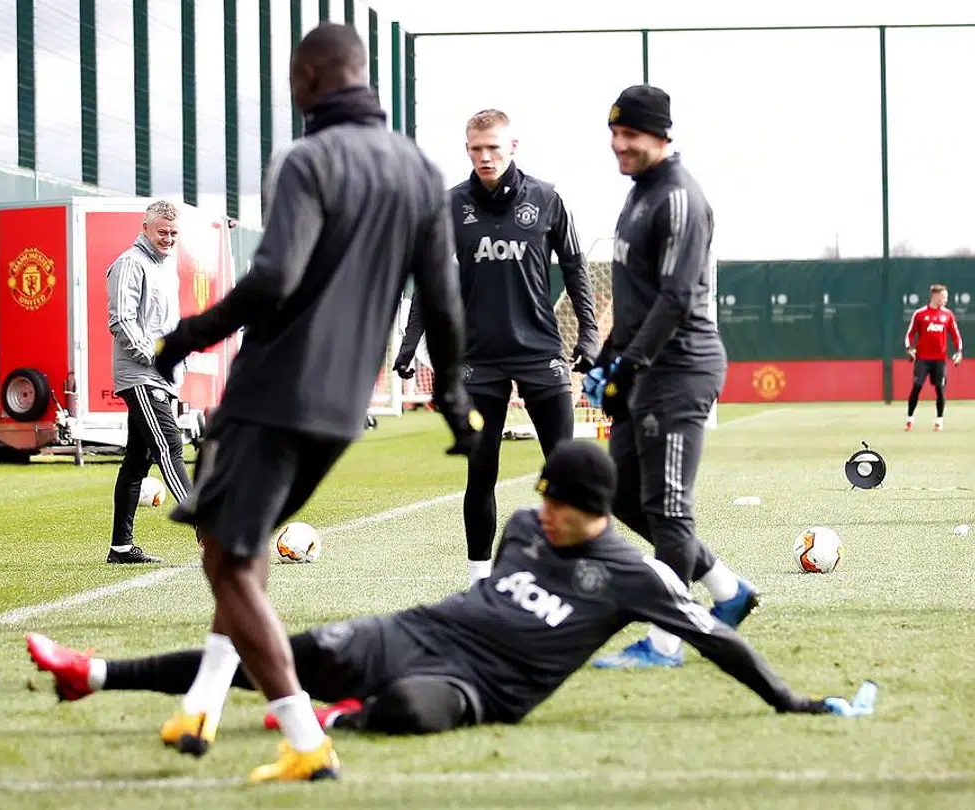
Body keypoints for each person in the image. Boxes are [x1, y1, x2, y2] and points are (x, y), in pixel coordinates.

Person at [136, 21, 476, 783]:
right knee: (243, 550)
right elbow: (446, 304)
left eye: (293, 80)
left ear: (314, 77)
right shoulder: (421, 170)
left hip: (275, 392)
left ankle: (302, 737)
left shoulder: (309, 158)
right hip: (345, 404)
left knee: (225, 561)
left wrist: (186, 336)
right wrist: (453, 397)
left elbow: (273, 281)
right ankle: (201, 704)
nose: (292, 93)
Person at [28, 441, 878, 742]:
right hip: (418, 630)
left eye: (558, 503)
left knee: (405, 711)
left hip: (481, 690)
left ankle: (338, 720)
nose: (542, 509)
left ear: (596, 514)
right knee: (285, 652)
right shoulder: (521, 525)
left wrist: (793, 701)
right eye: (542, 495)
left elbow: (716, 638)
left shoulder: (635, 573)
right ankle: (95, 674)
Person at [582, 85, 758, 669]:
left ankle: (665, 643)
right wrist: (607, 359)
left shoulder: (680, 198)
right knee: (621, 496)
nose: (619, 145)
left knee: (670, 511)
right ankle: (729, 591)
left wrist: (627, 366)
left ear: (661, 137)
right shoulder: (637, 197)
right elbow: (635, 298)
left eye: (630, 135)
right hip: (642, 371)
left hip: (680, 370)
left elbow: (678, 298)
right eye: (614, 134)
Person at [394, 108, 600, 588]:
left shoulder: (547, 200)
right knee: (480, 472)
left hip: (540, 352)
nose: (485, 157)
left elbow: (574, 268)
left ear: (513, 147)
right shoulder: (450, 205)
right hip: (479, 361)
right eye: (475, 148)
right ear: (467, 149)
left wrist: (588, 334)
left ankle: (572, 573)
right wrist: (409, 341)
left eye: (493, 147)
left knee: (565, 470)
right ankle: (478, 582)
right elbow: (429, 278)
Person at [104, 200, 195, 565]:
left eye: (173, 233)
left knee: (136, 462)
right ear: (145, 229)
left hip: (162, 377)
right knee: (170, 445)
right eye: (162, 232)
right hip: (141, 375)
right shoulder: (130, 263)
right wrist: (158, 359)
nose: (168, 239)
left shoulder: (166, 267)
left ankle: (121, 547)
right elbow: (122, 322)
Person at [904, 283, 962, 431]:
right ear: (935, 297)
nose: (945, 300)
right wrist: (909, 349)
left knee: (940, 389)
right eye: (943, 297)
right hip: (922, 358)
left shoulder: (947, 315)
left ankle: (939, 421)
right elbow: (910, 333)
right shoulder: (920, 314)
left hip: (939, 359)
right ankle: (909, 419)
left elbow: (956, 336)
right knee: (917, 386)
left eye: (946, 297)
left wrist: (958, 351)